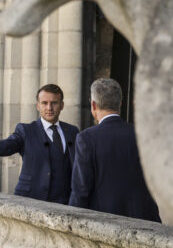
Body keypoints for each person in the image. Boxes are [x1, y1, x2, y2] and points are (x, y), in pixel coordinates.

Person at [0, 84, 78, 204]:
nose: (49, 108)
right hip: (32, 199)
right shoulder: (26, 130)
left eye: (54, 103)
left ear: (62, 105)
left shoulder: (72, 131)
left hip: (64, 201)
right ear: (38, 106)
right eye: (44, 103)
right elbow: (6, 145)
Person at [69, 78, 160, 221]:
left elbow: (81, 190)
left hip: (105, 221)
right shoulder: (142, 135)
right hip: (144, 218)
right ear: (120, 103)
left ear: (93, 105)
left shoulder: (86, 138)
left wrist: (70, 221)